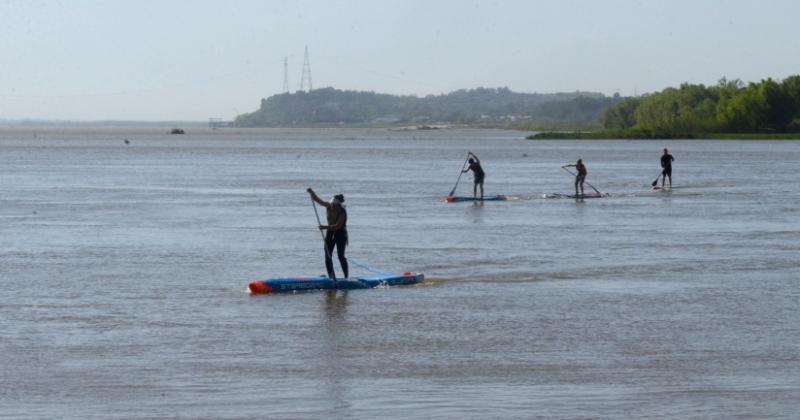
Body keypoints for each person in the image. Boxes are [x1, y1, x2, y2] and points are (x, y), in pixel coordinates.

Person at [307, 188, 348, 279]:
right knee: (328, 256)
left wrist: (324, 227)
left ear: (338, 204)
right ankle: (331, 277)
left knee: (340, 256)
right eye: (332, 204)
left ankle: (346, 277)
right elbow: (317, 200)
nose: (332, 206)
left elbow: (338, 226)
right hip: (330, 233)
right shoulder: (328, 205)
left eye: (334, 205)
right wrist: (311, 192)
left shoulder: (342, 212)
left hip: (340, 234)